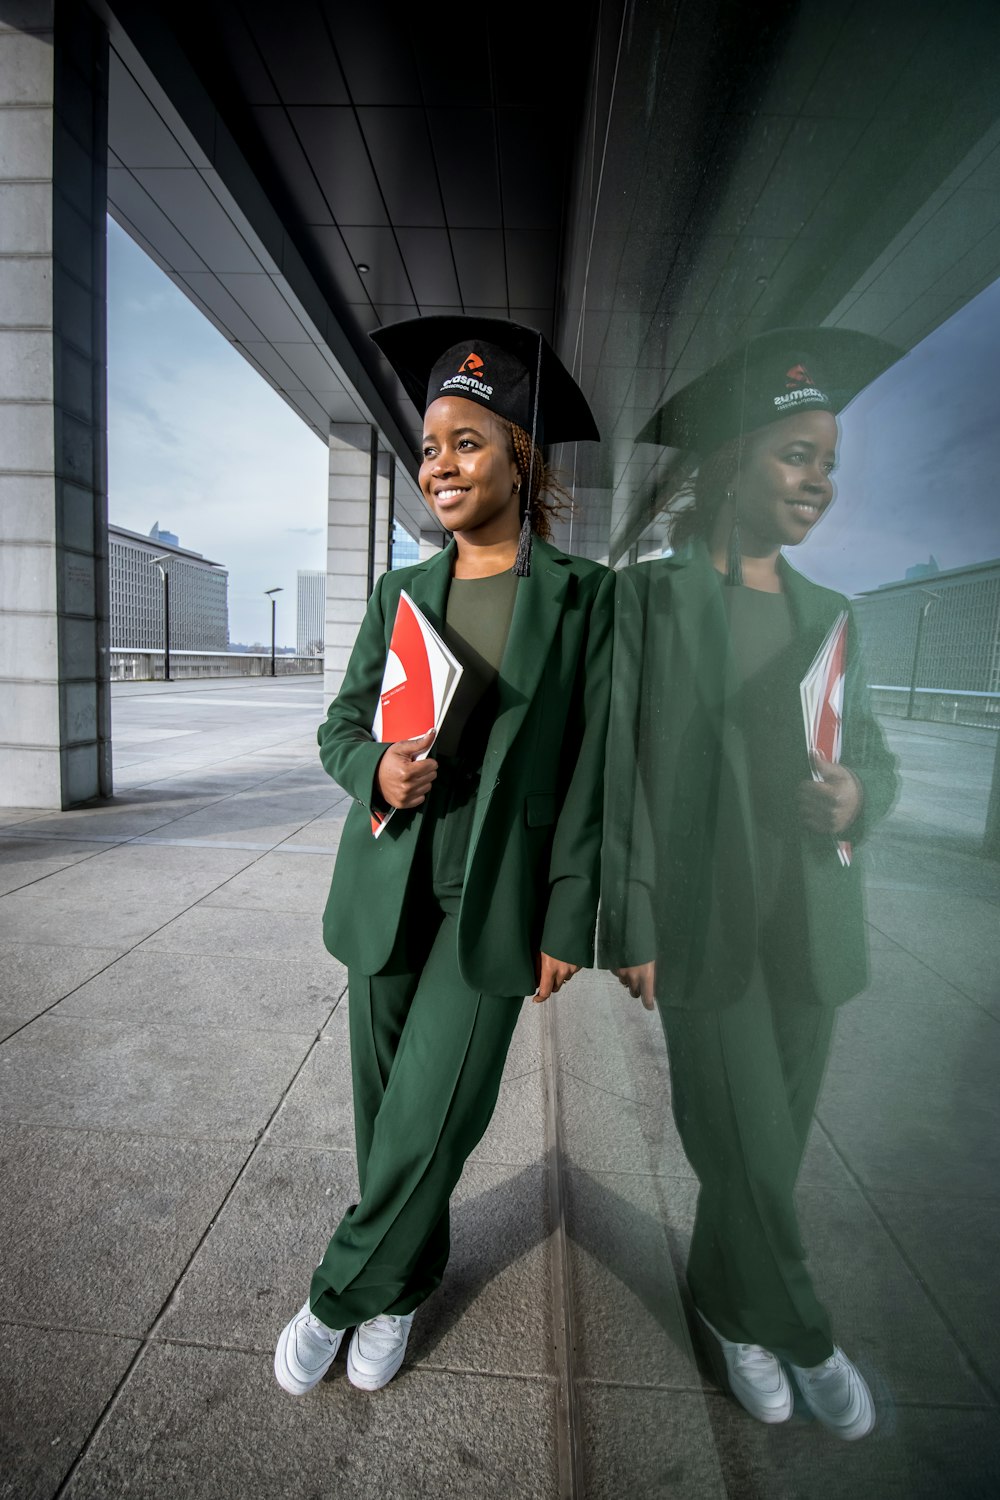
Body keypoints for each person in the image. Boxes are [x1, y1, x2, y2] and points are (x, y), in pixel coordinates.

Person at [274, 316, 612, 1395]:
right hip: (388, 880)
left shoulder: (585, 601)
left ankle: (337, 1294)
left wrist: (571, 918)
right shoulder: (397, 596)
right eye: (429, 447)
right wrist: (374, 768)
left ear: (520, 454)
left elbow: (596, 771)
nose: (441, 465)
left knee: (435, 1118)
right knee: (387, 1118)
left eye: (468, 441)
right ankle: (407, 1282)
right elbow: (336, 728)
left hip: (494, 899)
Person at [600, 329, 900, 1440]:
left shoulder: (834, 616)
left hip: (811, 933)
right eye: (795, 454)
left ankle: (730, 1308)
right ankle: (806, 1328)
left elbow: (873, 751)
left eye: (828, 460)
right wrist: (626, 917)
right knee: (749, 1148)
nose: (819, 480)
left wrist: (860, 797)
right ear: (731, 464)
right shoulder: (649, 602)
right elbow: (615, 776)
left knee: (763, 1150)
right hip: (700, 932)